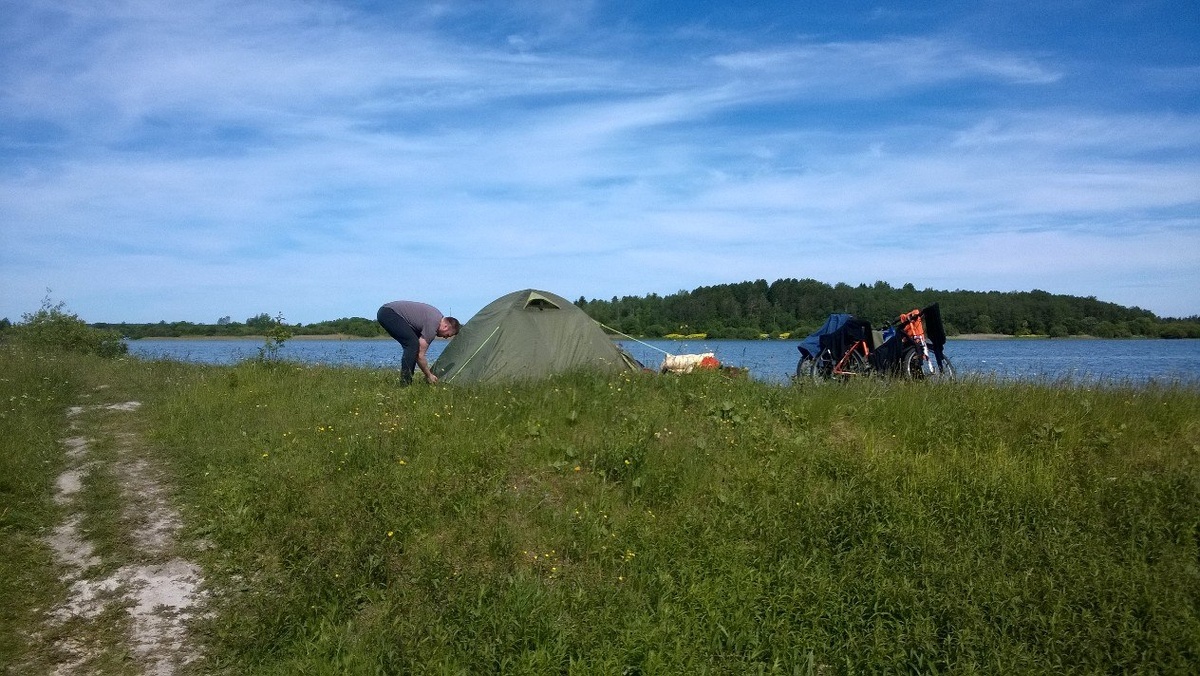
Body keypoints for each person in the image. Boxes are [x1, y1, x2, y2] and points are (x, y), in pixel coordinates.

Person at [376, 301, 460, 384]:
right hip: (388, 313)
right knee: (412, 344)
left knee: (413, 345)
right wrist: (429, 375)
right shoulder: (433, 326)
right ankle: (405, 383)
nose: (445, 337)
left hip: (388, 311)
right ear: (445, 327)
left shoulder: (436, 317)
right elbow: (420, 355)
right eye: (448, 335)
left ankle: (407, 380)